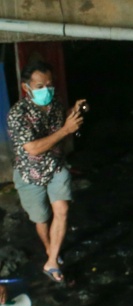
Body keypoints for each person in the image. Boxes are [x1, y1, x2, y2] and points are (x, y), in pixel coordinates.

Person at [7, 61, 86, 283]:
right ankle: (51, 249)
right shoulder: (18, 114)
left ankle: (51, 262)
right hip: (29, 174)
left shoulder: (55, 103)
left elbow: (63, 120)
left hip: (56, 166)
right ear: (26, 88)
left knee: (61, 209)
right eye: (40, 86)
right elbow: (33, 148)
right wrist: (65, 131)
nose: (47, 89)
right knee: (41, 218)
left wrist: (73, 111)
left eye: (49, 84)